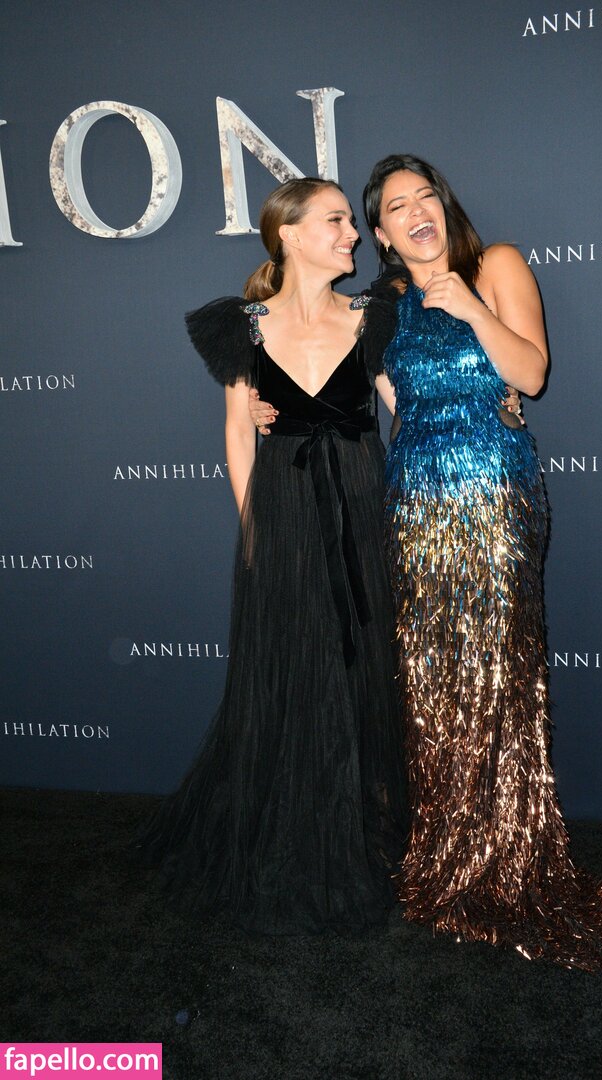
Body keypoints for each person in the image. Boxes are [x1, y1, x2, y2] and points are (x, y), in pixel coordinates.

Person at [253, 156, 602, 972]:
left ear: (443, 204)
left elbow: (530, 373)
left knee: (500, 675)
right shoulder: (380, 307)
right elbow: (370, 399)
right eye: (395, 207)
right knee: (431, 685)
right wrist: (270, 408)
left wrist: (468, 306)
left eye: (423, 196)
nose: (414, 212)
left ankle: (509, 854)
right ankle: (443, 852)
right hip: (414, 502)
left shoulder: (494, 264)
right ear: (382, 234)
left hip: (495, 494)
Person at [138, 177, 407, 934]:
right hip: (284, 505)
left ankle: (355, 821)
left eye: (352, 222)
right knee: (292, 660)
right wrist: (254, 530)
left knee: (359, 660)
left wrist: (486, 409)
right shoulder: (242, 326)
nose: (352, 234)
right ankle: (295, 820)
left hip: (362, 504)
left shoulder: (372, 316)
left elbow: (405, 408)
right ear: (288, 233)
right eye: (336, 220)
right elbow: (235, 431)